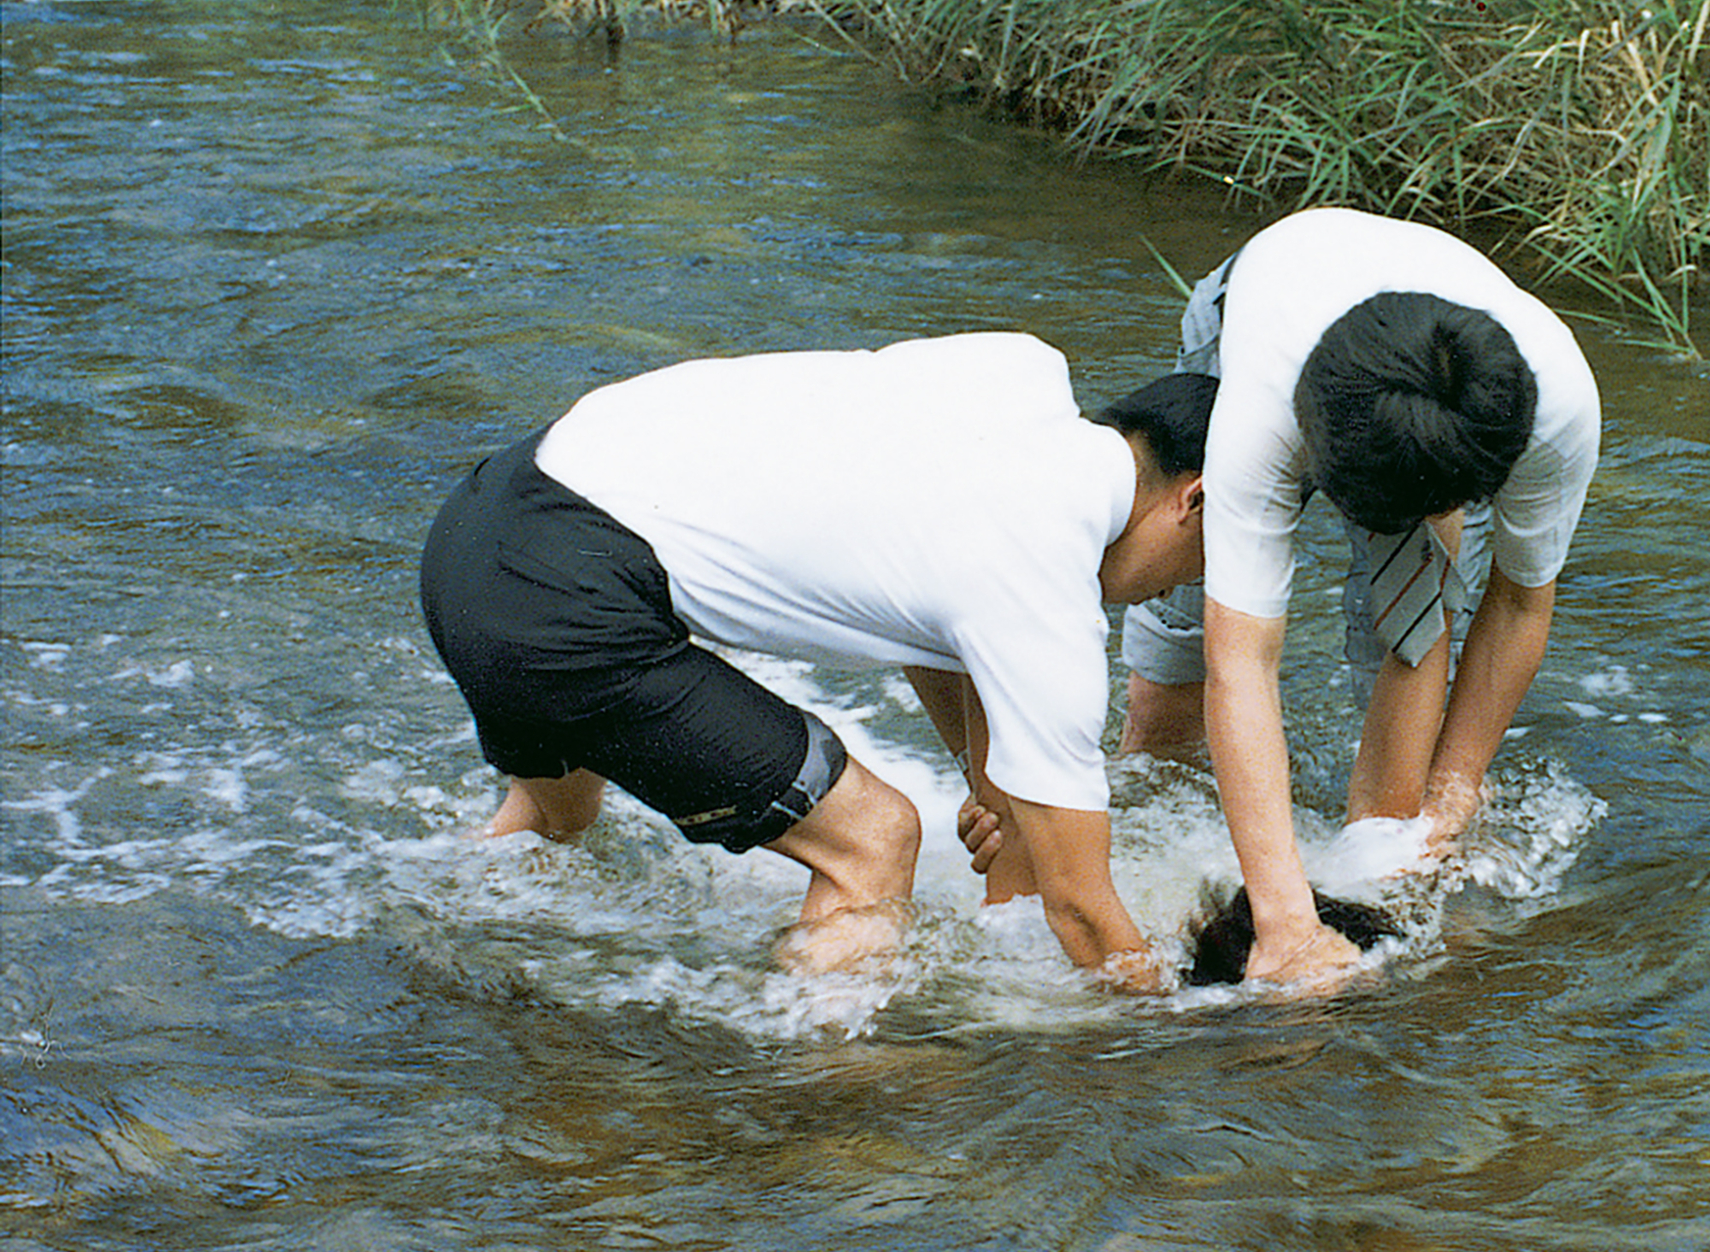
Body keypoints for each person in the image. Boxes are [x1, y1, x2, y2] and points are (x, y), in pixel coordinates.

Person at [418, 333, 1217, 990]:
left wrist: (992, 786)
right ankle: (827, 1115)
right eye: (1202, 563)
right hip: (564, 606)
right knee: (873, 837)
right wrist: (1163, 1033)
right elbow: (1078, 908)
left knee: (554, 835)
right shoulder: (1044, 578)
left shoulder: (1010, 376)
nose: (1172, 591)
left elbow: (941, 609)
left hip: (481, 531)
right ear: (1195, 500)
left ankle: (435, 933)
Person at [1118, 208, 1602, 989]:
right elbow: (1238, 657)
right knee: (1166, 688)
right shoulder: (1258, 419)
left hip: (1431, 389)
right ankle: (1139, 825)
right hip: (1259, 309)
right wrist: (1283, 926)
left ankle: (1376, 857)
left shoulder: (1556, 415)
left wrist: (1451, 801)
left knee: (1417, 620)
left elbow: (1517, 605)